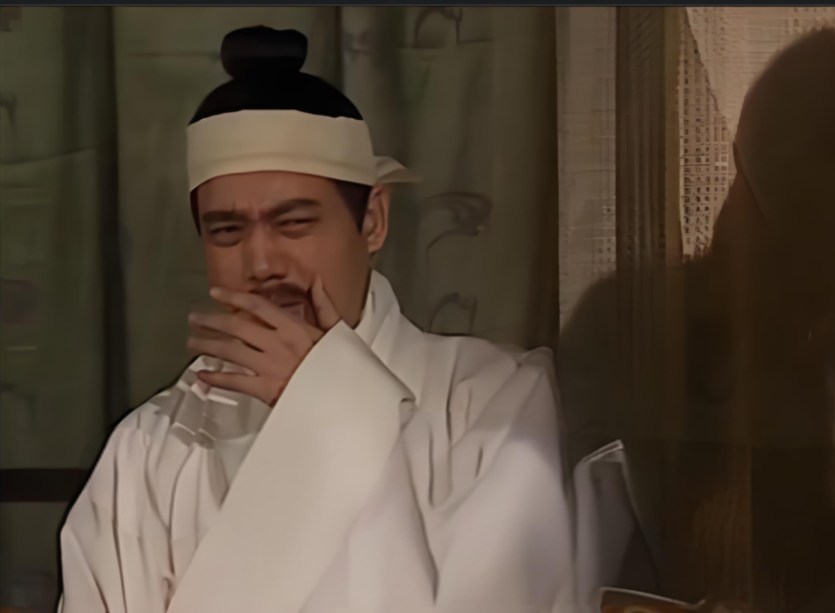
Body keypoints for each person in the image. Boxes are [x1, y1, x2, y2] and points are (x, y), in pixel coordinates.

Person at [56, 26, 636, 613]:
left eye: (294, 223)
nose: (261, 264)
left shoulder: (489, 403)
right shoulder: (151, 443)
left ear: (373, 221)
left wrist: (327, 406)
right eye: (227, 230)